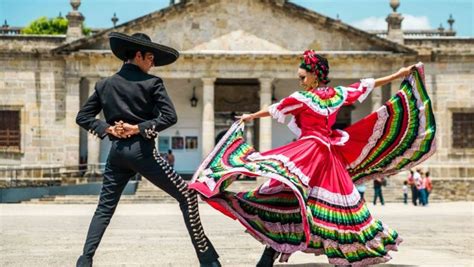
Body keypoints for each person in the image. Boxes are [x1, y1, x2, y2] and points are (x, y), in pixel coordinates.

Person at [189, 50, 436, 266]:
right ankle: (274, 254)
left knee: (290, 199)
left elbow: (278, 108)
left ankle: (297, 255)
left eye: (303, 76)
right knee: (296, 199)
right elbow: (365, 86)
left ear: (315, 75)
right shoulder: (336, 94)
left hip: (312, 155)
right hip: (323, 157)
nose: (301, 81)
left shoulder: (304, 98)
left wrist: (250, 117)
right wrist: (397, 74)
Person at [75, 32, 220, 267]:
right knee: (189, 196)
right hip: (143, 153)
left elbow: (83, 117)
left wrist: (109, 129)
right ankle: (207, 260)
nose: (152, 62)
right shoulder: (152, 83)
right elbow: (170, 116)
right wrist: (139, 128)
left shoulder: (105, 85)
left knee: (104, 208)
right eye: (150, 57)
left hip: (117, 153)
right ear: (138, 55)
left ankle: (84, 260)